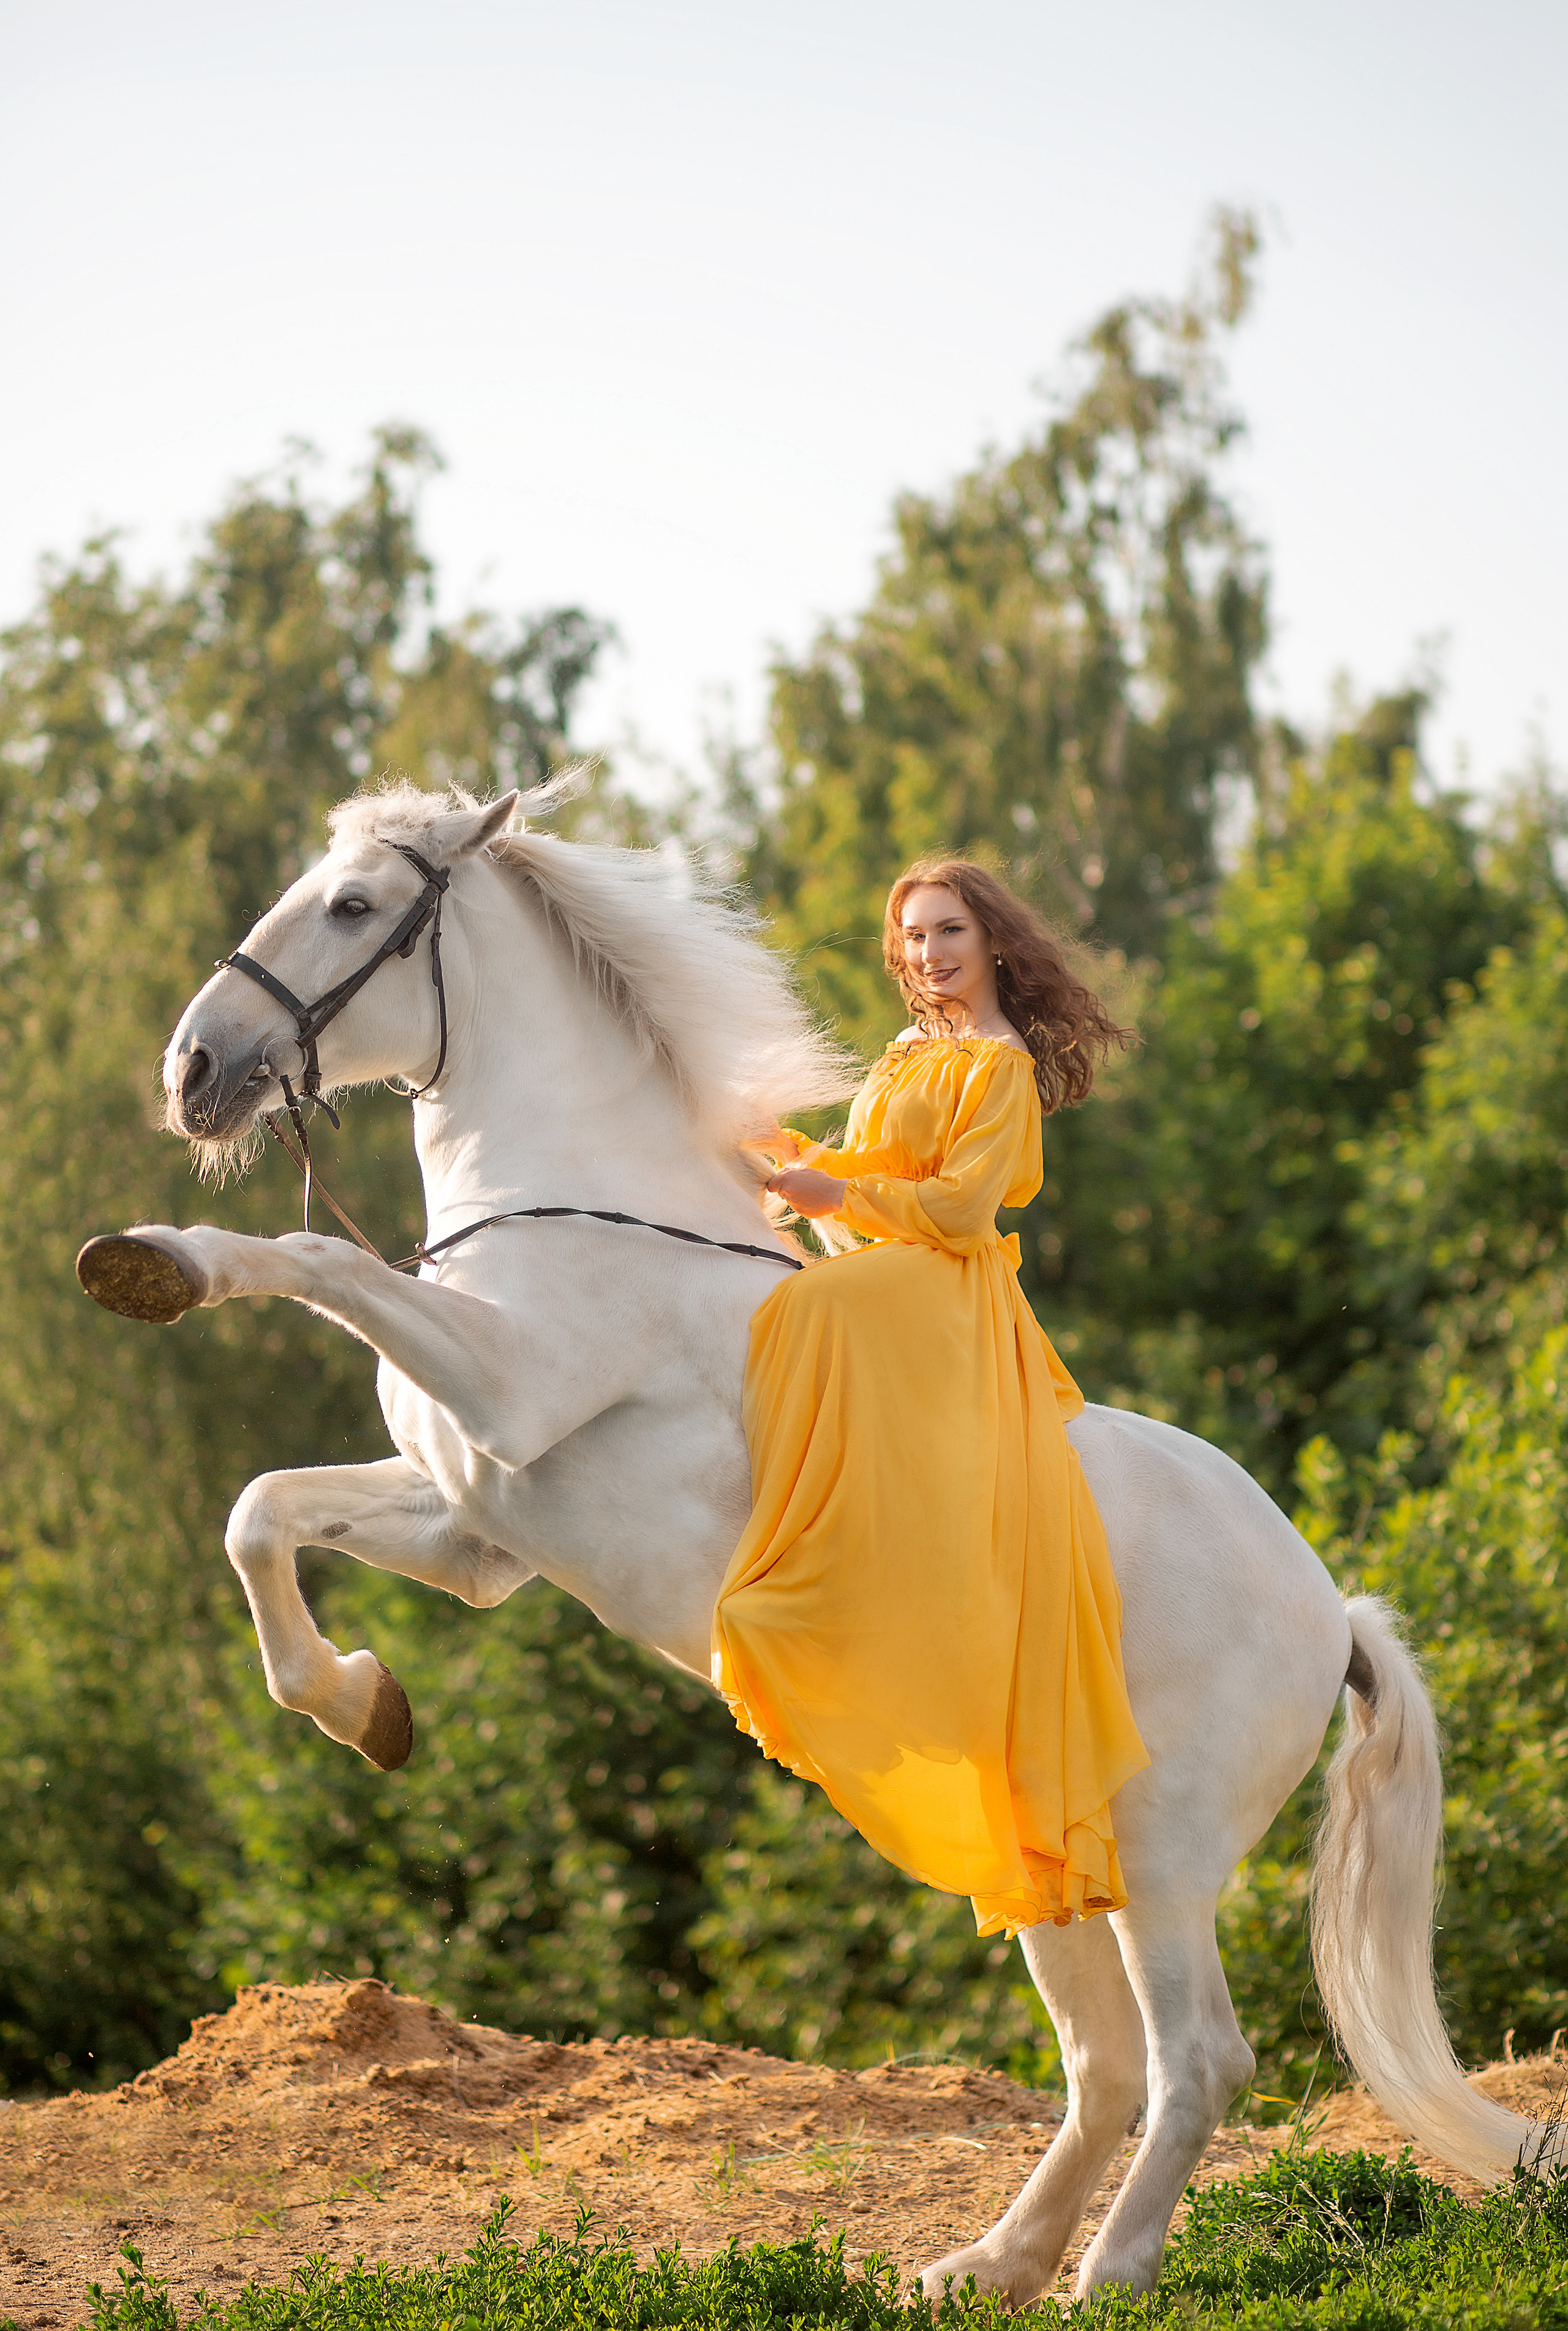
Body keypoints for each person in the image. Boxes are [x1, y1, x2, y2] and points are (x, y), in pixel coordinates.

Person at [710, 858, 1150, 1936]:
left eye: (946, 931)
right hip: (897, 1254)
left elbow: (957, 1206)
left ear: (992, 938)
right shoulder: (914, 1049)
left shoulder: (997, 1066)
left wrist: (836, 1193)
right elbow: (871, 1161)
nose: (927, 954)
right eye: (911, 937)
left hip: (951, 1280)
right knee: (781, 1281)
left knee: (806, 1311)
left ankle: (808, 1543)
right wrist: (791, 1154)